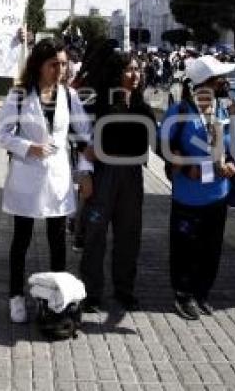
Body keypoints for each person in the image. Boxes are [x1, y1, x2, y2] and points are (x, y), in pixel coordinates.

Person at [0, 38, 93, 323]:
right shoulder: (20, 95)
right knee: (21, 240)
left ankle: (55, 297)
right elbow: (0, 134)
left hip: (58, 177)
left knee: (57, 242)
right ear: (38, 64)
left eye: (63, 64)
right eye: (53, 64)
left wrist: (85, 170)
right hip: (27, 175)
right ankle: (15, 296)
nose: (59, 70)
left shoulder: (69, 96)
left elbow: (85, 135)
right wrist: (28, 147)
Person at [160, 55, 235, 320]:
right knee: (185, 247)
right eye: (219, 80)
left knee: (211, 247)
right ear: (205, 83)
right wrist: (183, 164)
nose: (225, 84)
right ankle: (183, 294)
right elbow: (162, 147)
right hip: (188, 196)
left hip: (218, 194)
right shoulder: (180, 111)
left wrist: (233, 165)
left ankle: (202, 292)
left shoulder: (225, 110)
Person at [79, 50, 157, 311]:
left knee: (129, 235)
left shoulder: (142, 106)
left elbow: (154, 142)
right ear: (116, 73)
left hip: (132, 176)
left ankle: (124, 289)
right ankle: (92, 293)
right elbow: (84, 143)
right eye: (129, 70)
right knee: (95, 235)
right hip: (103, 174)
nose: (135, 75)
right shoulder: (99, 103)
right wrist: (85, 174)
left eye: (137, 70)